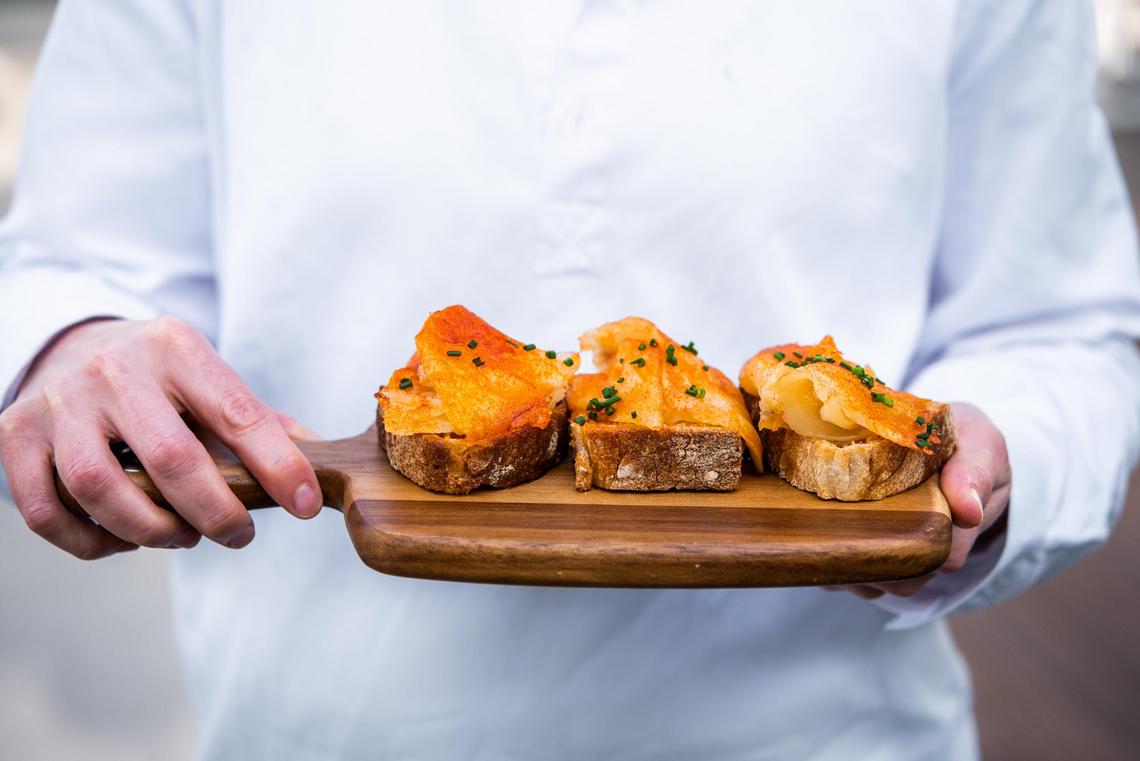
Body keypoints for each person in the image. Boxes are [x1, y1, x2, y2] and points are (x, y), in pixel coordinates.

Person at [2, 2, 1139, 759]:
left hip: (825, 733)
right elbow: (66, 252)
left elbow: (1065, 323)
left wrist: (1000, 455)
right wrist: (72, 344)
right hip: (318, 727)